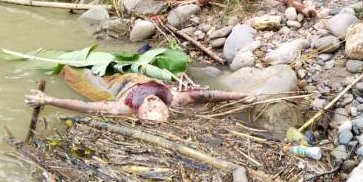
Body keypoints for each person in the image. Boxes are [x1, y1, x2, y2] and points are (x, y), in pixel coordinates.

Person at [25, 68, 249, 123]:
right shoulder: (174, 99)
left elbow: (85, 106)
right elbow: (209, 95)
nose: (152, 103)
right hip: (140, 75)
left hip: (119, 85)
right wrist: (241, 96)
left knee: (83, 76)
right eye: (156, 108)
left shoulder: (125, 109)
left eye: (149, 110)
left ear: (138, 115)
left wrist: (48, 100)